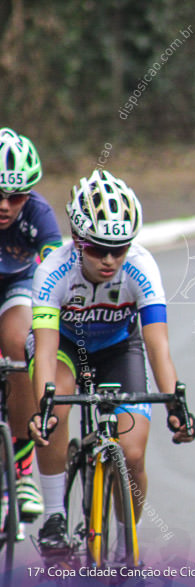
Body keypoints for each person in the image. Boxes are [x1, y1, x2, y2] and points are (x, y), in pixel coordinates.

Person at [27, 169, 195, 557]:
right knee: (57, 400)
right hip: (66, 347)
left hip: (120, 349)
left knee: (133, 453)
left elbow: (157, 346)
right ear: (77, 242)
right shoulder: (52, 272)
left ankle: (126, 545)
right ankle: (54, 517)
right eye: (97, 250)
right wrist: (44, 408)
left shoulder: (142, 267)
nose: (108, 260)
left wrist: (175, 402)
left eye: (118, 250)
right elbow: (46, 348)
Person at [0, 127, 62, 523]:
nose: (5, 205)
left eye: (16, 195)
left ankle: (22, 469)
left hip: (18, 283)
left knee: (20, 344)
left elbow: (56, 269)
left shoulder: (39, 214)